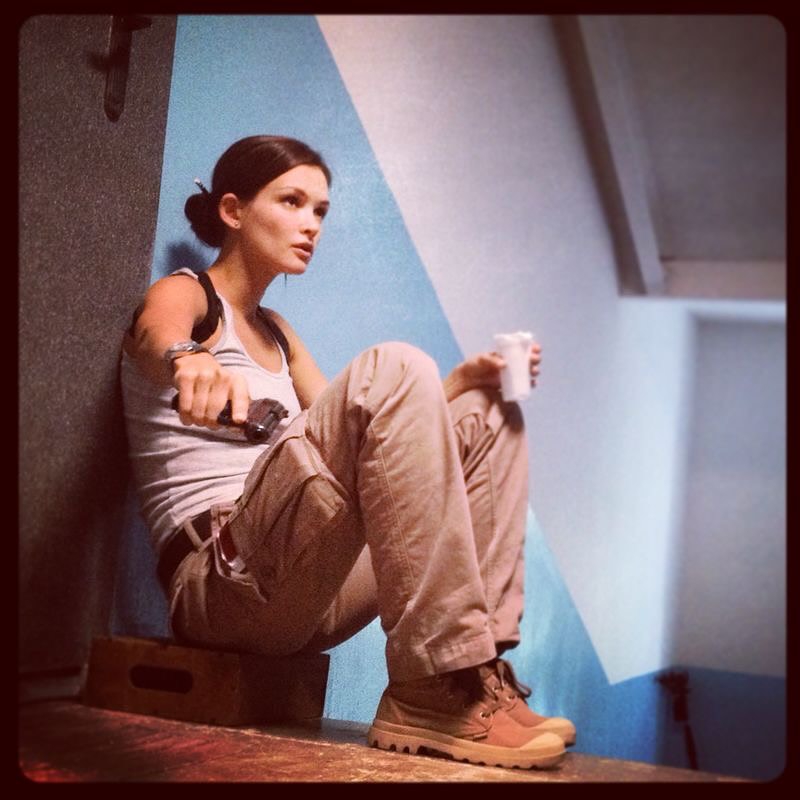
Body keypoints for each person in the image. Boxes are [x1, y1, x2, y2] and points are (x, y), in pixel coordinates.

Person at [120, 135, 575, 770]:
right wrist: (185, 358)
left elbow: (373, 433)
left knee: (489, 414)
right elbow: (153, 333)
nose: (311, 224)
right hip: (217, 585)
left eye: (321, 211)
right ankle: (429, 684)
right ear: (232, 210)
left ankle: (472, 673)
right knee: (395, 363)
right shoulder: (189, 295)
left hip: (303, 589)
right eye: (292, 202)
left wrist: (462, 382)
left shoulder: (279, 334)